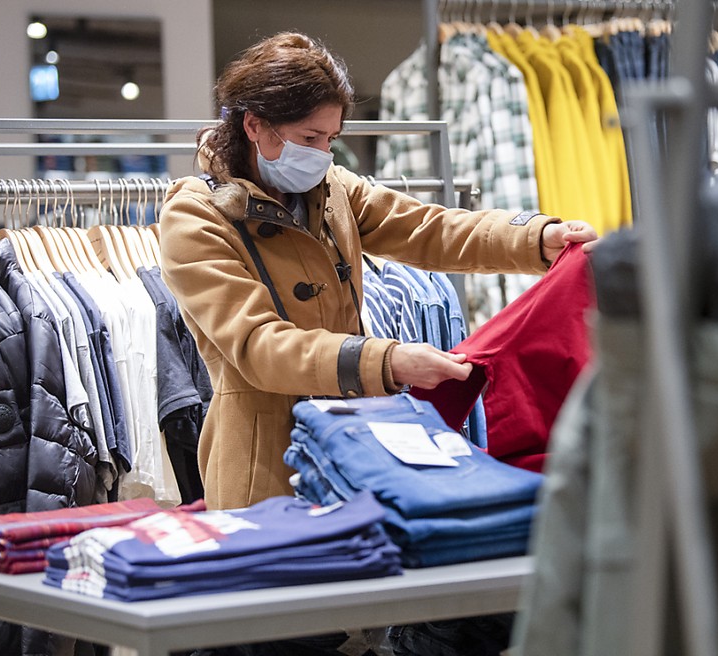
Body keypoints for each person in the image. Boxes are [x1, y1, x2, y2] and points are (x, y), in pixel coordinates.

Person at [158, 31, 598, 513]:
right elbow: (258, 347)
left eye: (331, 139)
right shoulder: (195, 217)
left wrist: (535, 236)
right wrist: (388, 361)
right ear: (254, 125)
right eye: (309, 138)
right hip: (264, 471)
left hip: (352, 444)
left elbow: (430, 229)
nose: (323, 154)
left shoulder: (333, 190)